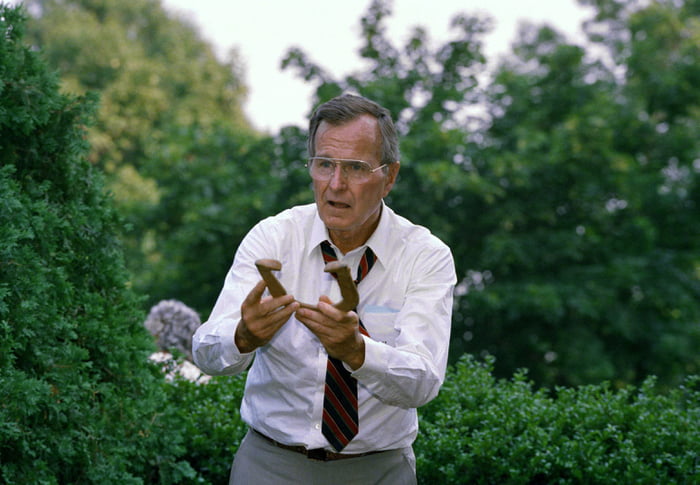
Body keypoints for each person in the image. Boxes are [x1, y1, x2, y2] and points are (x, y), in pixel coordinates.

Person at [192, 93, 456, 484]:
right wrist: (242, 336)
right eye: (324, 164)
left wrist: (357, 351)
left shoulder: (425, 256)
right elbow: (205, 351)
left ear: (390, 177)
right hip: (270, 465)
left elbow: (423, 382)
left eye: (355, 168)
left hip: (380, 470)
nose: (335, 184)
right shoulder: (274, 238)